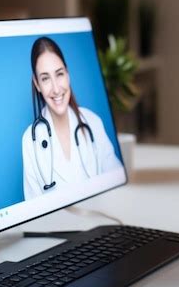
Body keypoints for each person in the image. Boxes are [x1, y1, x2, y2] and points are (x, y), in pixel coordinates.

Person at [22, 36, 123, 200]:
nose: (56, 89)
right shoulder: (29, 140)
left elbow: (117, 185)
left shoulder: (92, 122)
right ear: (37, 83)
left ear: (68, 74)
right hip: (57, 226)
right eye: (45, 78)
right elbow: (34, 210)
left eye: (59, 74)